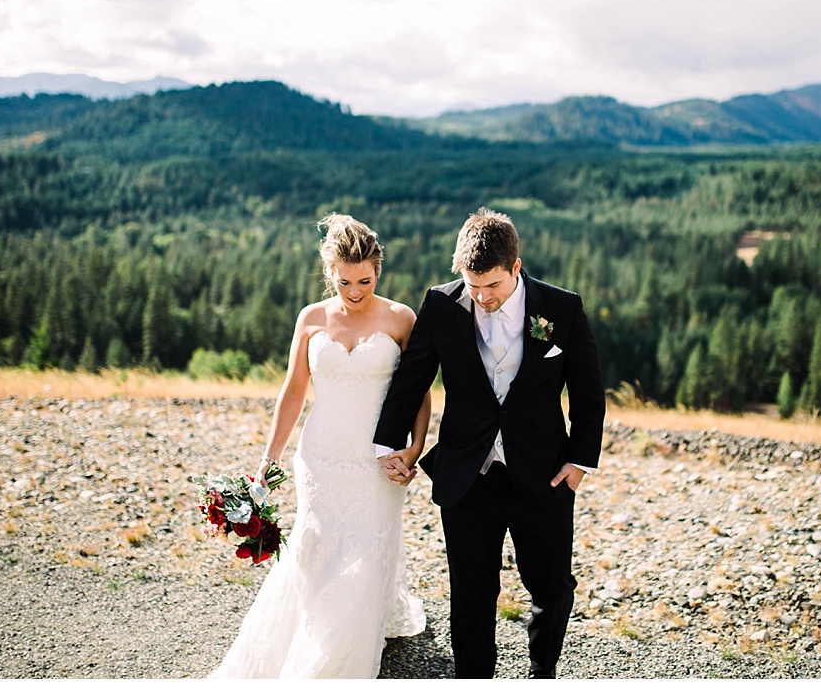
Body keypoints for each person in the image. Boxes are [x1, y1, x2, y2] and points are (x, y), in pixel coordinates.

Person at [373, 207, 605, 679]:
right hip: (467, 476)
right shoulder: (441, 304)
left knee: (553, 589)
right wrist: (385, 445)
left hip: (544, 473)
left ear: (516, 267)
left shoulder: (562, 308)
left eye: (493, 286)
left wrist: (580, 461)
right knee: (471, 594)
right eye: (473, 286)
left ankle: (543, 672)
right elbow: (411, 379)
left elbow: (588, 390)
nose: (481, 297)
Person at [211, 214, 430, 679]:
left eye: (365, 280)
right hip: (319, 459)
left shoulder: (401, 318)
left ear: (378, 271)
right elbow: (293, 392)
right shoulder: (311, 318)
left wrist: (413, 451)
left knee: (367, 558)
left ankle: (336, 657)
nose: (354, 291)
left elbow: (419, 392)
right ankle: (313, 642)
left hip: (376, 463)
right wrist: (267, 463)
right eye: (344, 281)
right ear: (329, 272)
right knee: (315, 552)